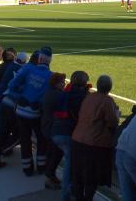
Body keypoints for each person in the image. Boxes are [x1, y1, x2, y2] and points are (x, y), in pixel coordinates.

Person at [71, 75, 120, 201]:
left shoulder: (88, 97)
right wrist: (117, 114)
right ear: (109, 87)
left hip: (78, 139)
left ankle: (79, 198)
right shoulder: (107, 101)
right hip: (94, 144)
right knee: (91, 177)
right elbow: (113, 122)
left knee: (78, 175)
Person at [8, 47, 53, 176]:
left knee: (25, 139)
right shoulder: (50, 76)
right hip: (36, 113)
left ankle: (27, 168)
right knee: (41, 139)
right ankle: (41, 166)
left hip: (21, 111)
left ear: (39, 59)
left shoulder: (28, 69)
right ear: (49, 61)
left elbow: (12, 85)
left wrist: (21, 96)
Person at [0, 51, 29, 171]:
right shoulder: (19, 70)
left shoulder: (10, 66)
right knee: (4, 129)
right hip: (5, 100)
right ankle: (0, 151)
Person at [52, 71, 90, 201]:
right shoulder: (81, 96)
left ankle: (69, 189)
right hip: (67, 133)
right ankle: (66, 193)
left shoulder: (66, 91)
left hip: (56, 131)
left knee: (70, 160)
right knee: (71, 164)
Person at [42, 72, 66, 190]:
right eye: (62, 82)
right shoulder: (57, 95)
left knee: (53, 152)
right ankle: (49, 177)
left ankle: (50, 175)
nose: (64, 84)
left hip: (46, 125)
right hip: (52, 127)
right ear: (57, 83)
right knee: (55, 153)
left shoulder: (50, 91)